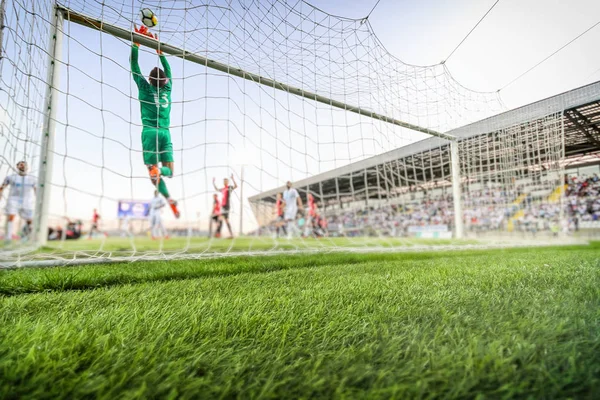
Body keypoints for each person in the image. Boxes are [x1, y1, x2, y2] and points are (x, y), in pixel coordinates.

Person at [131, 24, 180, 218]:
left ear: (149, 80)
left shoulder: (143, 87)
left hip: (149, 132)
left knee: (153, 177)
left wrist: (136, 43)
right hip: (165, 132)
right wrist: (160, 51)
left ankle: (154, 171)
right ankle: (169, 199)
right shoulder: (168, 89)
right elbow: (168, 70)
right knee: (169, 172)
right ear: (164, 81)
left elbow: (134, 66)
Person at [0, 161, 36, 243]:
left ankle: (26, 236)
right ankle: (8, 238)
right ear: (17, 166)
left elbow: (36, 189)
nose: (22, 166)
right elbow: (2, 187)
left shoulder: (32, 178)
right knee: (11, 217)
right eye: (20, 164)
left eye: (24, 164)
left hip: (27, 201)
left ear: (27, 167)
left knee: (29, 220)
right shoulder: (10, 177)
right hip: (13, 199)